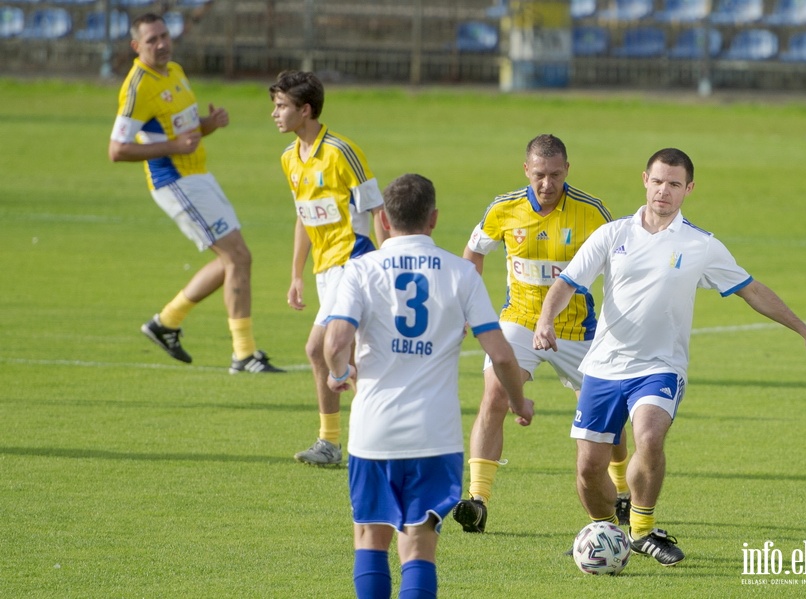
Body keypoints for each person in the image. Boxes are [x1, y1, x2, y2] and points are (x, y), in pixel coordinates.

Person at [533, 148, 806, 566]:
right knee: (588, 468)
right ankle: (606, 531)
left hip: (660, 367)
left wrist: (805, 331)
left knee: (650, 437)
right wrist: (545, 320)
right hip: (603, 367)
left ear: (688, 189)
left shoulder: (700, 245)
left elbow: (752, 290)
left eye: (674, 184)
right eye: (658, 181)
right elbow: (567, 283)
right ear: (644, 180)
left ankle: (642, 528)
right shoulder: (613, 234)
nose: (664, 191)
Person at [322, 174, 534, 599]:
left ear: (383, 220)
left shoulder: (360, 270)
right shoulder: (461, 274)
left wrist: (339, 373)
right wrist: (518, 401)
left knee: (370, 537)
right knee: (419, 547)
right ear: (434, 219)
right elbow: (503, 355)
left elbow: (335, 342)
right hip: (435, 436)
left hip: (374, 432)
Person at [452, 134, 631, 535]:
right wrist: (468, 304)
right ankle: (478, 500)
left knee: (608, 418)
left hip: (579, 330)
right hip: (519, 320)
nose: (546, 184)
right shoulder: (504, 209)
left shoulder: (593, 212)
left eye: (554, 175)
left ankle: (621, 491)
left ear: (567, 170)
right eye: (538, 176)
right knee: (495, 395)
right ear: (525, 171)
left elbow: (621, 269)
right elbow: (474, 252)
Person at [109, 13, 283, 374]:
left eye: (164, 35)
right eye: (152, 39)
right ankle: (243, 354)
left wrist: (208, 125)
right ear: (136, 46)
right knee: (238, 257)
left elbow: (183, 132)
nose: (161, 44)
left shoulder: (174, 71)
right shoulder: (138, 86)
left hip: (199, 175)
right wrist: (174, 145)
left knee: (233, 260)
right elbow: (117, 150)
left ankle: (166, 323)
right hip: (175, 182)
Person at [268, 70, 387, 466]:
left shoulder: (340, 152)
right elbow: (303, 216)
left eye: (282, 106)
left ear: (305, 110)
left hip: (355, 261)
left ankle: (334, 442)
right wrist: (297, 274)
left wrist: (388, 264)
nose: (275, 114)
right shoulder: (289, 158)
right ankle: (363, 438)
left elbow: (376, 209)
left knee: (319, 348)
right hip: (326, 271)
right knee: (347, 359)